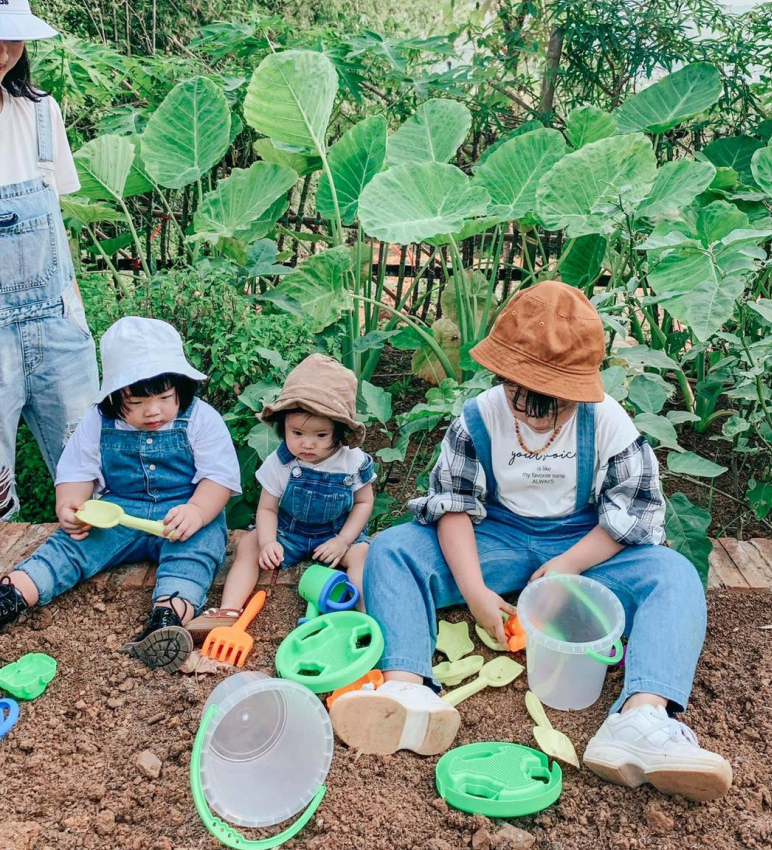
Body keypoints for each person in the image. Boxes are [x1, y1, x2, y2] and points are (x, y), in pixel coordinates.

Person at [331, 282, 733, 803]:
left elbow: (630, 511)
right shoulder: (477, 418)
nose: (536, 417)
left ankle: (643, 719)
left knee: (674, 575)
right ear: (503, 377)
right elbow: (452, 505)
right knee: (392, 550)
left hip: (583, 546)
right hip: (493, 537)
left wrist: (569, 564)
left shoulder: (608, 421)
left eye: (554, 408)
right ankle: (408, 687)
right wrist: (474, 590)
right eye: (523, 401)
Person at [0, 317, 240, 672]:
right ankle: (15, 593)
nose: (153, 410)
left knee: (196, 551)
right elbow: (77, 472)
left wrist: (198, 511)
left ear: (181, 387)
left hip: (183, 513)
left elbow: (218, 478)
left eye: (163, 398)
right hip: (121, 510)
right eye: (138, 401)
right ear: (114, 395)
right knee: (72, 545)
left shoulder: (201, 419)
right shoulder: (98, 421)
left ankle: (168, 615)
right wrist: (71, 504)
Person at [0, 0, 99, 520]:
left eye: (10, 35)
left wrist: (74, 316)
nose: (1, 50)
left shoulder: (41, 115)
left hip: (56, 322)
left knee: (90, 469)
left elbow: (55, 225)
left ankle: (96, 595)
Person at [188, 353, 375, 642]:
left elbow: (364, 503)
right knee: (249, 543)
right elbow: (267, 508)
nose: (307, 443)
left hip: (336, 534)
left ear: (340, 433)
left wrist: (343, 541)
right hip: (290, 532)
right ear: (283, 426)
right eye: (297, 433)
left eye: (321, 435)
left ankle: (362, 619)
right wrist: (268, 541)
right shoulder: (283, 462)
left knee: (363, 554)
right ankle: (228, 610)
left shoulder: (351, 461)